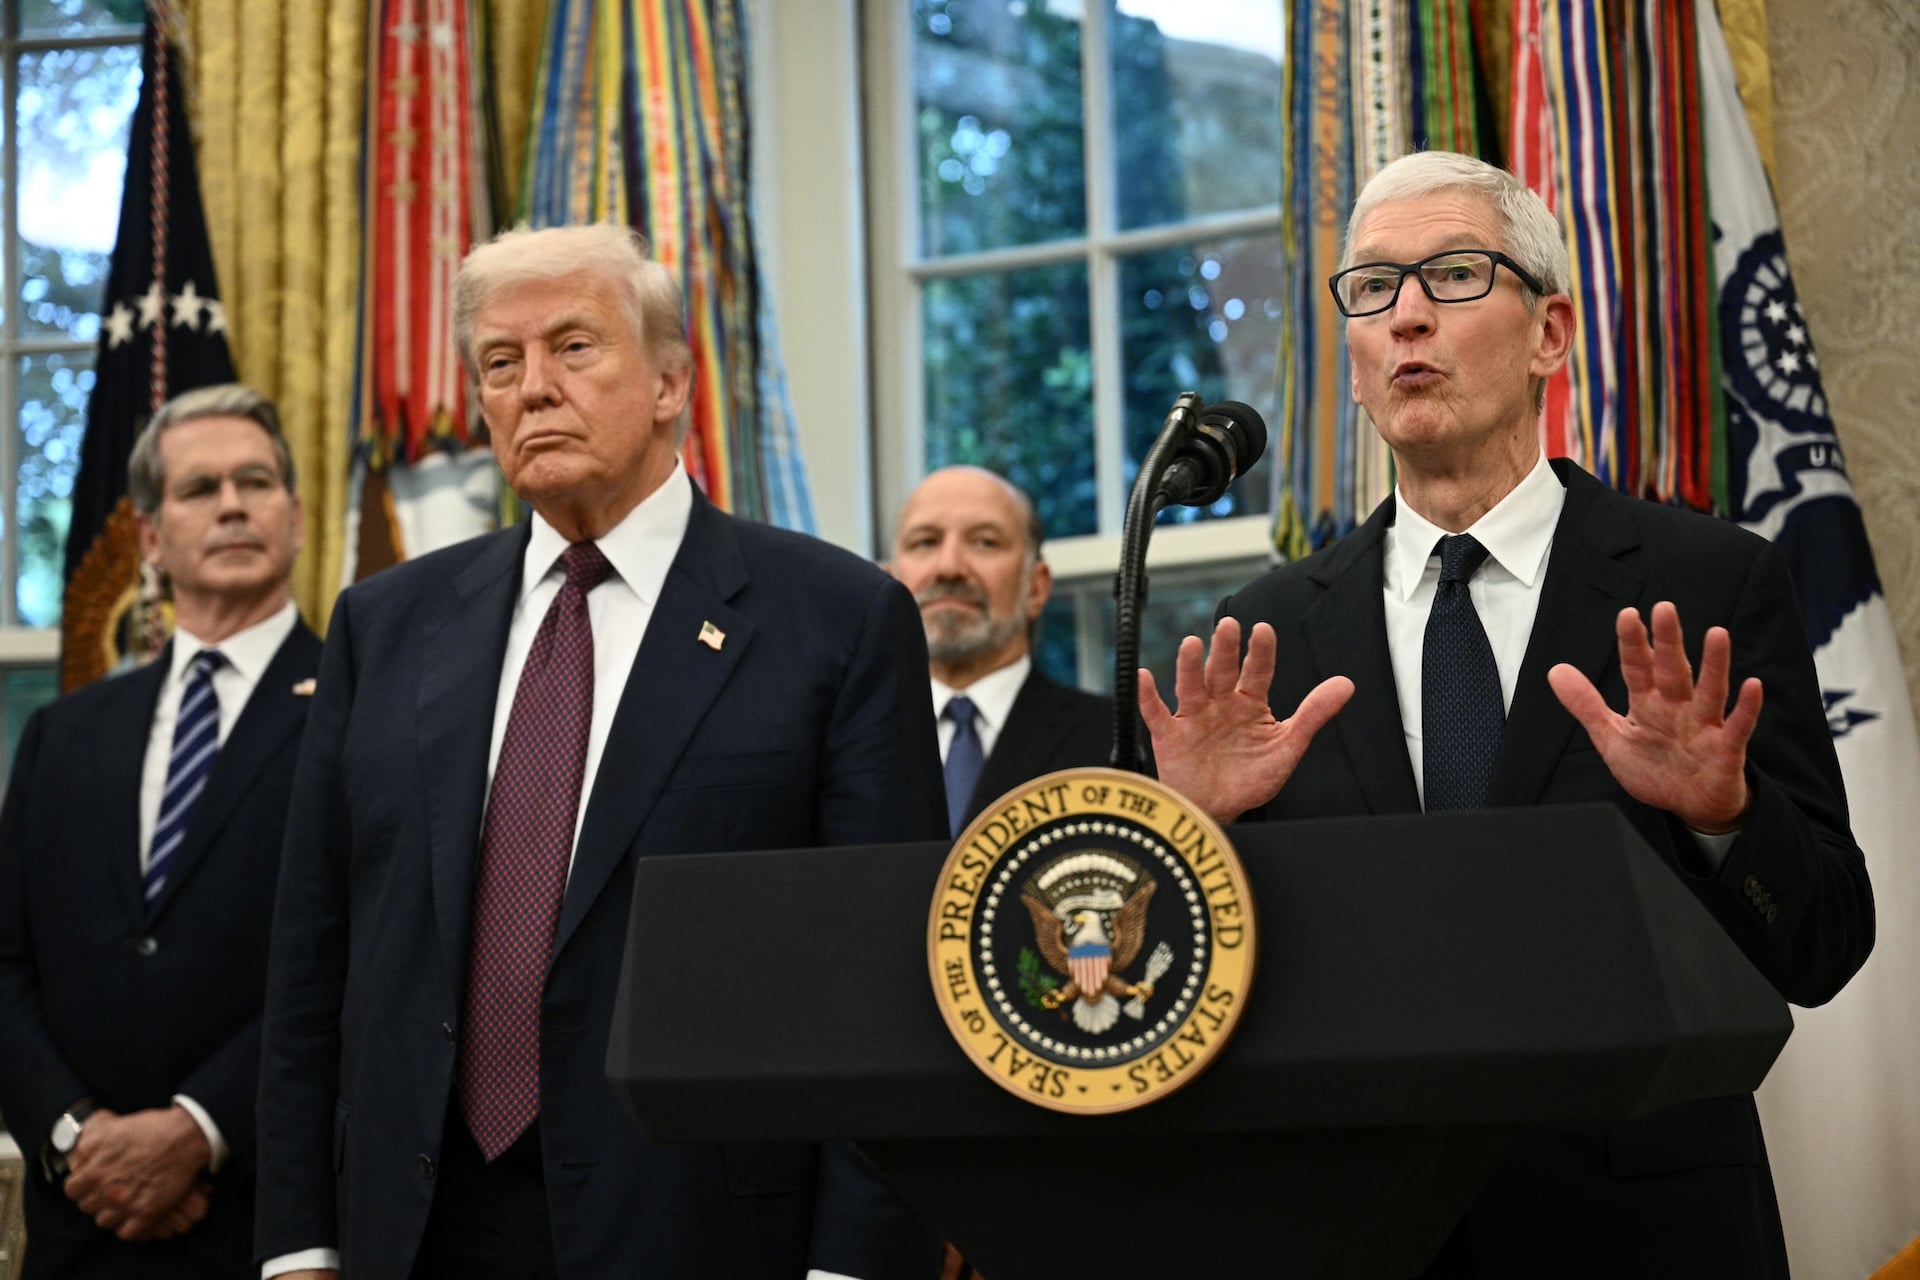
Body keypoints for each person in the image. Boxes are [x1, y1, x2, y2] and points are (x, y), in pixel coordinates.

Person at [1136, 151, 1873, 1279]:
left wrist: (1725, 814)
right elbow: (1187, 992)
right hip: (1358, 1230)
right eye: (1373, 289)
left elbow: (1822, 944)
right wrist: (1193, 835)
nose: (1408, 317)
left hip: (1642, 1233)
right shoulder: (1268, 631)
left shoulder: (1705, 584)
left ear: (1551, 334)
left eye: (1454, 274)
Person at [254, 223, 946, 1280]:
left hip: (704, 1229)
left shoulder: (838, 620)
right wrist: (299, 1243)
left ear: (671, 381)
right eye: (501, 360)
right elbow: (313, 957)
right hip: (416, 1228)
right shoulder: (385, 626)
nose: (533, 387)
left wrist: (853, 1263)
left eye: (574, 347)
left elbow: (887, 979)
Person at [0, 383, 319, 1278]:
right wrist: (78, 1136)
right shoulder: (64, 734)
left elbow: (372, 965)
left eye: (255, 482)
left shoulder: (366, 712)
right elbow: (4, 960)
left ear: (294, 516)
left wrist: (198, 1130)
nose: (231, 505)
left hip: (269, 1224)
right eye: (199, 488)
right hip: (80, 1226)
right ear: (149, 537)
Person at [887, 466, 1114, 833]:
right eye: (925, 542)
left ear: (1036, 587)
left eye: (985, 542)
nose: (949, 568)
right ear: (891, 584)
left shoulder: (1120, 740)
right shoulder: (842, 747)